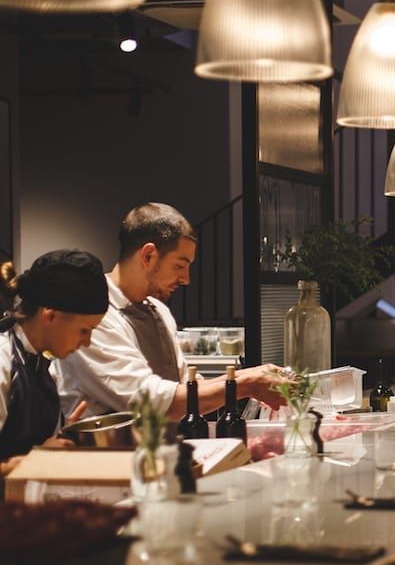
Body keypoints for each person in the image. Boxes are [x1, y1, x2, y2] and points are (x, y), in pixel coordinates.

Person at [58, 202, 286, 419]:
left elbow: (186, 388)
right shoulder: (95, 315)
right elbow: (154, 402)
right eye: (179, 265)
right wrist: (247, 384)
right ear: (148, 255)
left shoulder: (158, 310)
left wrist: (252, 376)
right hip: (104, 456)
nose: (186, 279)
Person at [0, 250, 109, 476]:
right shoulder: (3, 361)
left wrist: (61, 439)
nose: (87, 342)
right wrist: (27, 462)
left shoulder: (47, 367)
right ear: (50, 316)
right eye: (84, 330)